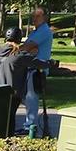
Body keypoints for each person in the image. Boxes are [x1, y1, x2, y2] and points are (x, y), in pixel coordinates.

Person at [22, 7, 54, 138]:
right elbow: (28, 47)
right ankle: (28, 125)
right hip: (30, 67)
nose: (34, 19)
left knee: (31, 98)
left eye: (37, 16)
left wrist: (26, 47)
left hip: (37, 70)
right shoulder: (36, 31)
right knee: (25, 97)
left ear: (44, 17)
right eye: (33, 16)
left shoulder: (44, 31)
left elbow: (27, 47)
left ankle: (29, 127)